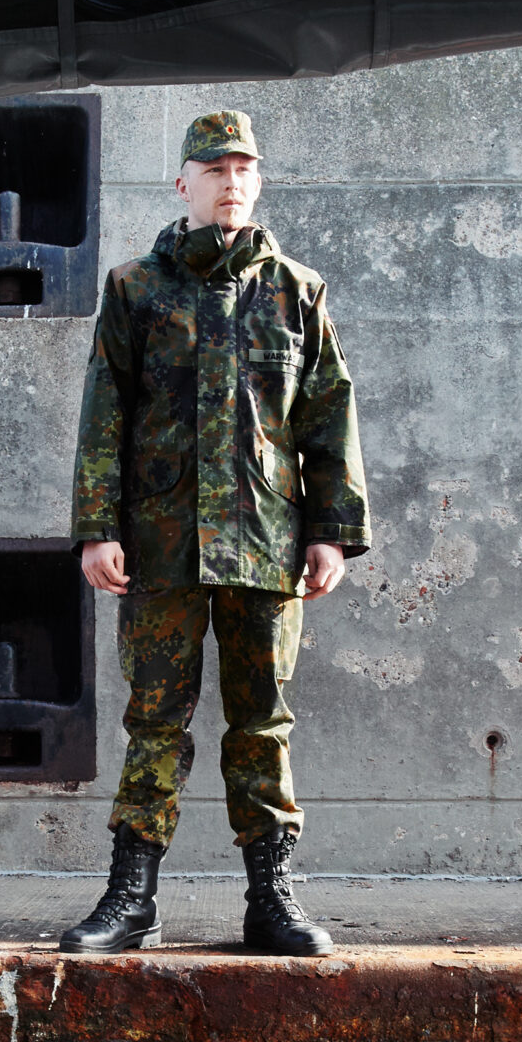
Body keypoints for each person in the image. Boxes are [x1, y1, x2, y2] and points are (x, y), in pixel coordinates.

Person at [58, 109, 369, 957]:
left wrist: (332, 532)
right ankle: (132, 898)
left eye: (244, 169)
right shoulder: (135, 290)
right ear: (184, 184)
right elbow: (104, 418)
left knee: (261, 723)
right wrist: (97, 527)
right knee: (154, 720)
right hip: (159, 545)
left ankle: (271, 900)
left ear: (257, 182)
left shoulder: (296, 291)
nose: (232, 183)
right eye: (215, 169)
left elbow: (326, 417)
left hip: (265, 542)